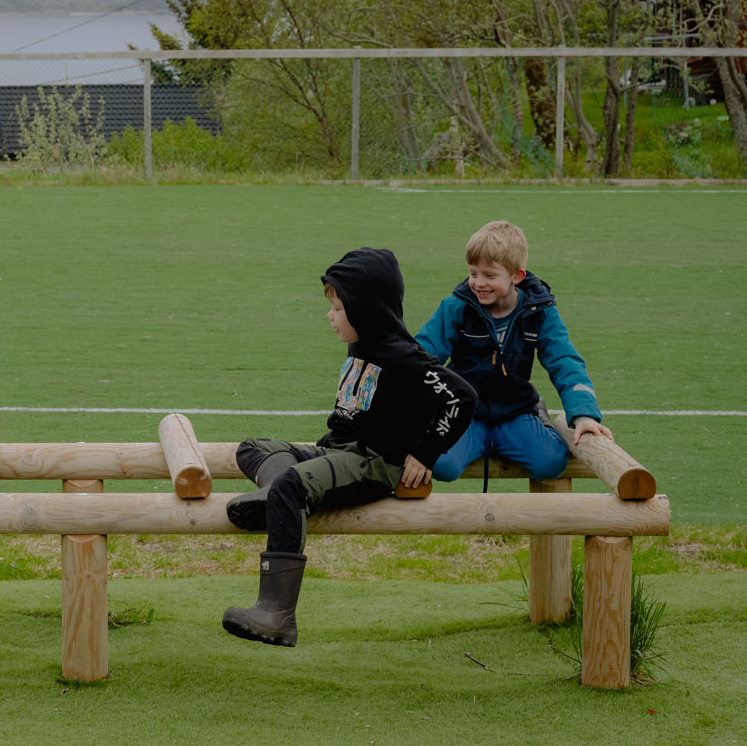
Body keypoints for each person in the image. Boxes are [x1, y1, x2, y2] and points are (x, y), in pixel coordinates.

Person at [223, 248, 476, 647]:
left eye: (338, 308)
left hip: (372, 463)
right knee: (252, 448)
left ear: (367, 309)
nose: (330, 316)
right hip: (339, 451)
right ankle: (275, 498)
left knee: (291, 484)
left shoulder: (403, 356)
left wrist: (426, 453)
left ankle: (276, 615)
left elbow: (461, 398)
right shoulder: (363, 343)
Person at [414, 220, 611, 485]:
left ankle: (540, 420)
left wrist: (584, 414)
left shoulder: (539, 311)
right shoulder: (456, 307)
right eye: (473, 273)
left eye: (489, 275)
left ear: (517, 276)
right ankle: (474, 441)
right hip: (465, 413)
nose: (478, 283)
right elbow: (422, 356)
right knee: (442, 465)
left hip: (514, 410)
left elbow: (564, 360)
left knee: (550, 464)